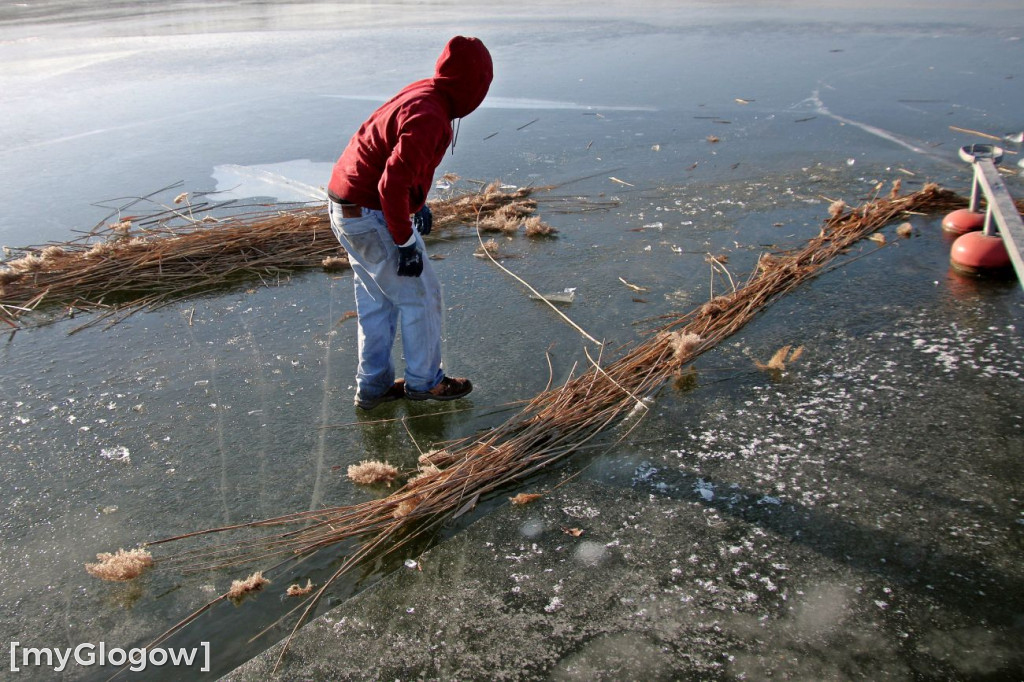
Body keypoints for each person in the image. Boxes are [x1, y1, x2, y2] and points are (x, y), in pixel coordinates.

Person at [327, 36, 493, 411]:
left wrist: (417, 202)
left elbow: (395, 162)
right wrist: (404, 243)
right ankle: (424, 382)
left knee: (378, 303)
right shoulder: (431, 116)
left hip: (345, 207)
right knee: (421, 297)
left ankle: (374, 387)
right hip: (370, 213)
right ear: (473, 87)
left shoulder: (425, 93)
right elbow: (390, 185)